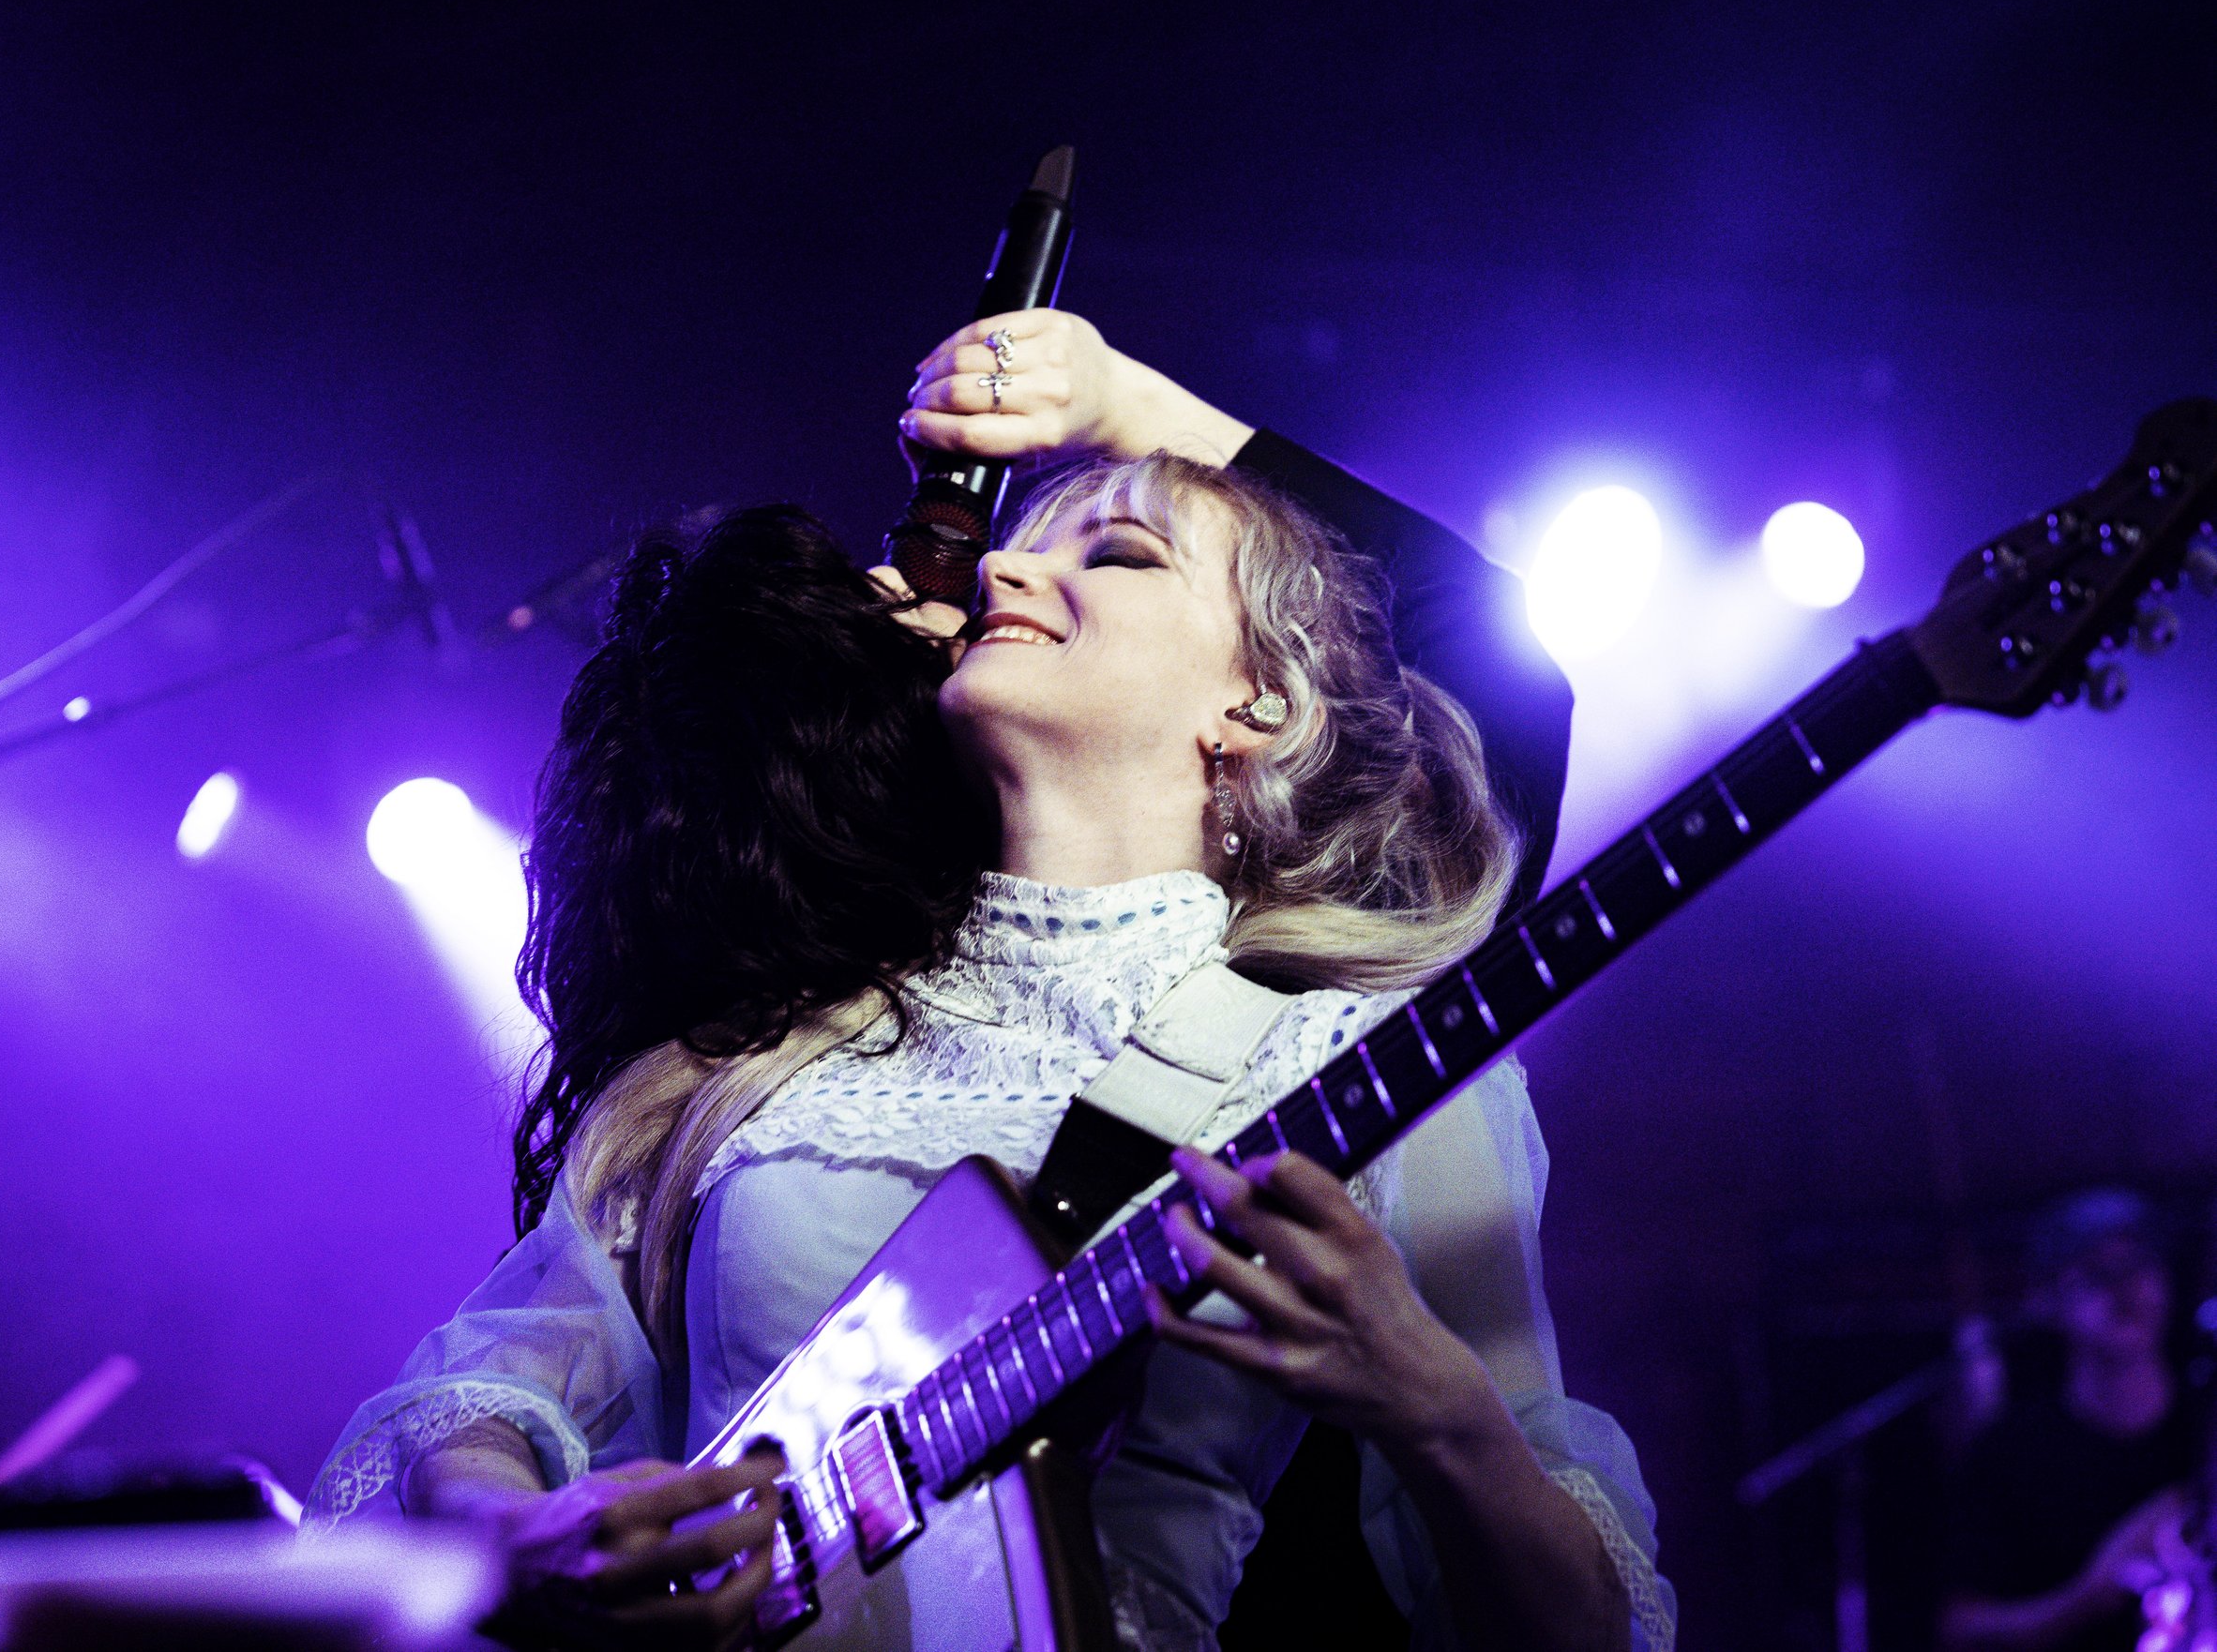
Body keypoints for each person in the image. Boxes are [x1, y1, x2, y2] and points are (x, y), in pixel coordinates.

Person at [307, 310, 1673, 1652]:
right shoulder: (770, 1057)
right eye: (1012, 556)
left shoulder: (1356, 1061)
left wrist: (1437, 1409)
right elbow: (480, 1382)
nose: (1007, 581)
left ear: (1257, 706)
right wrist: (513, 1530)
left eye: (1120, 554)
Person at [1942, 1188, 2201, 1652]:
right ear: (2047, 1298)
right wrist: (2085, 1596)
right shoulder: (2010, 1453)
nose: (2124, 1291)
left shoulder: (2205, 1427)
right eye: (2097, 1273)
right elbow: (1960, 1627)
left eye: (2139, 1267)